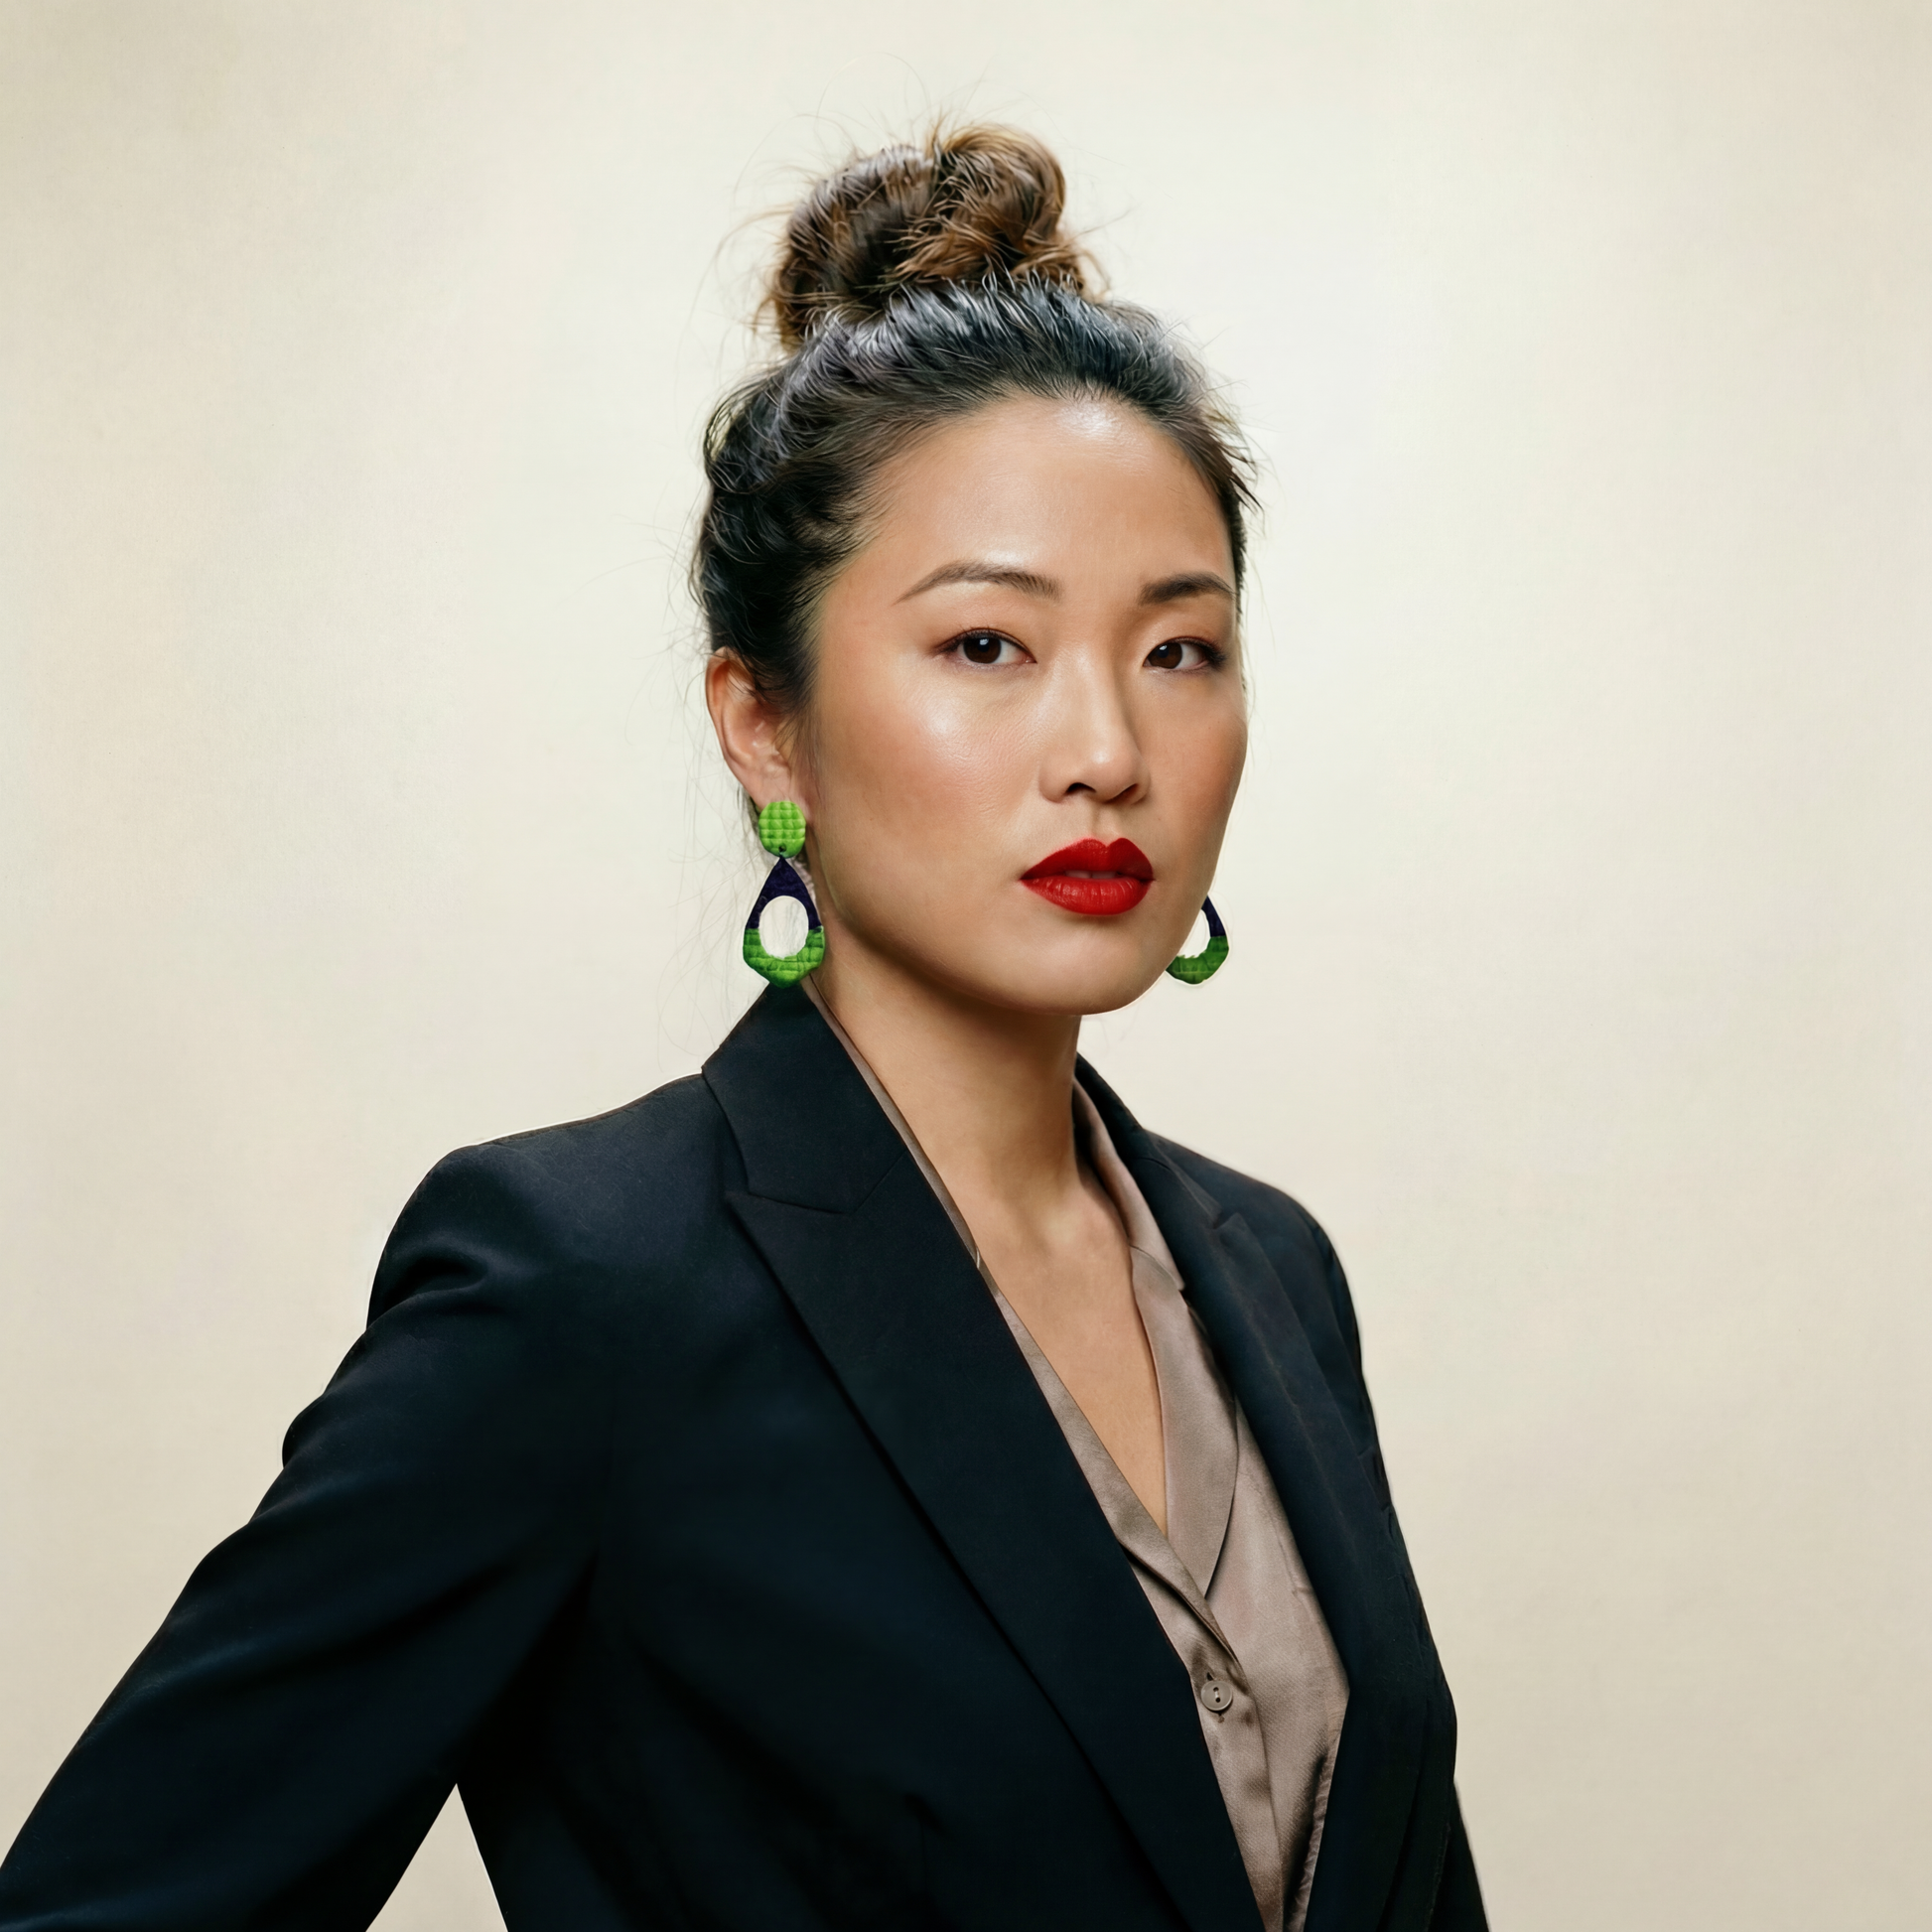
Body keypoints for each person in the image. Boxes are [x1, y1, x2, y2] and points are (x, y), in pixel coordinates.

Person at [0, 125, 1484, 1932]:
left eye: (1179, 648)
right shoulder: (581, 1290)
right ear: (762, 723)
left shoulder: (1273, 1273)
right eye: (986, 648)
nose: (1107, 746)